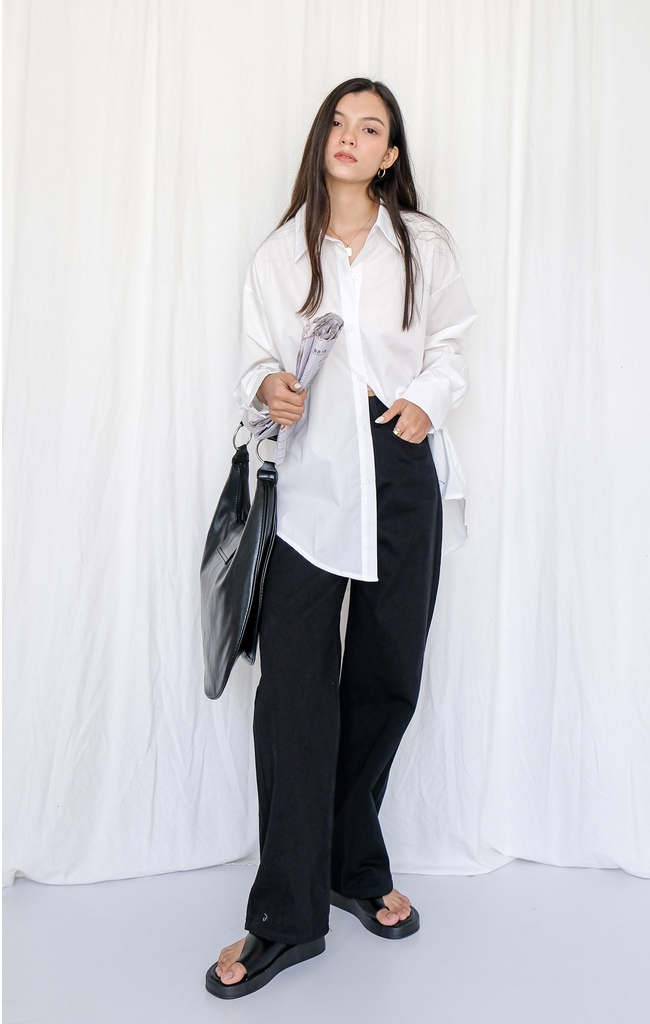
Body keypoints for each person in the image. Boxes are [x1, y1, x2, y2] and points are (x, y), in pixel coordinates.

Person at [206, 77, 476, 999]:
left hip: (399, 464)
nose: (351, 136)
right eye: (339, 121)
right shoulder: (280, 254)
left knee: (387, 677)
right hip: (312, 478)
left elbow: (451, 344)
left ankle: (352, 865)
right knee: (292, 693)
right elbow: (255, 356)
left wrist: (425, 401)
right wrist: (268, 387)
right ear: (322, 138)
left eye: (371, 128)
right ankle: (286, 916)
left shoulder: (422, 243)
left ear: (391, 155)